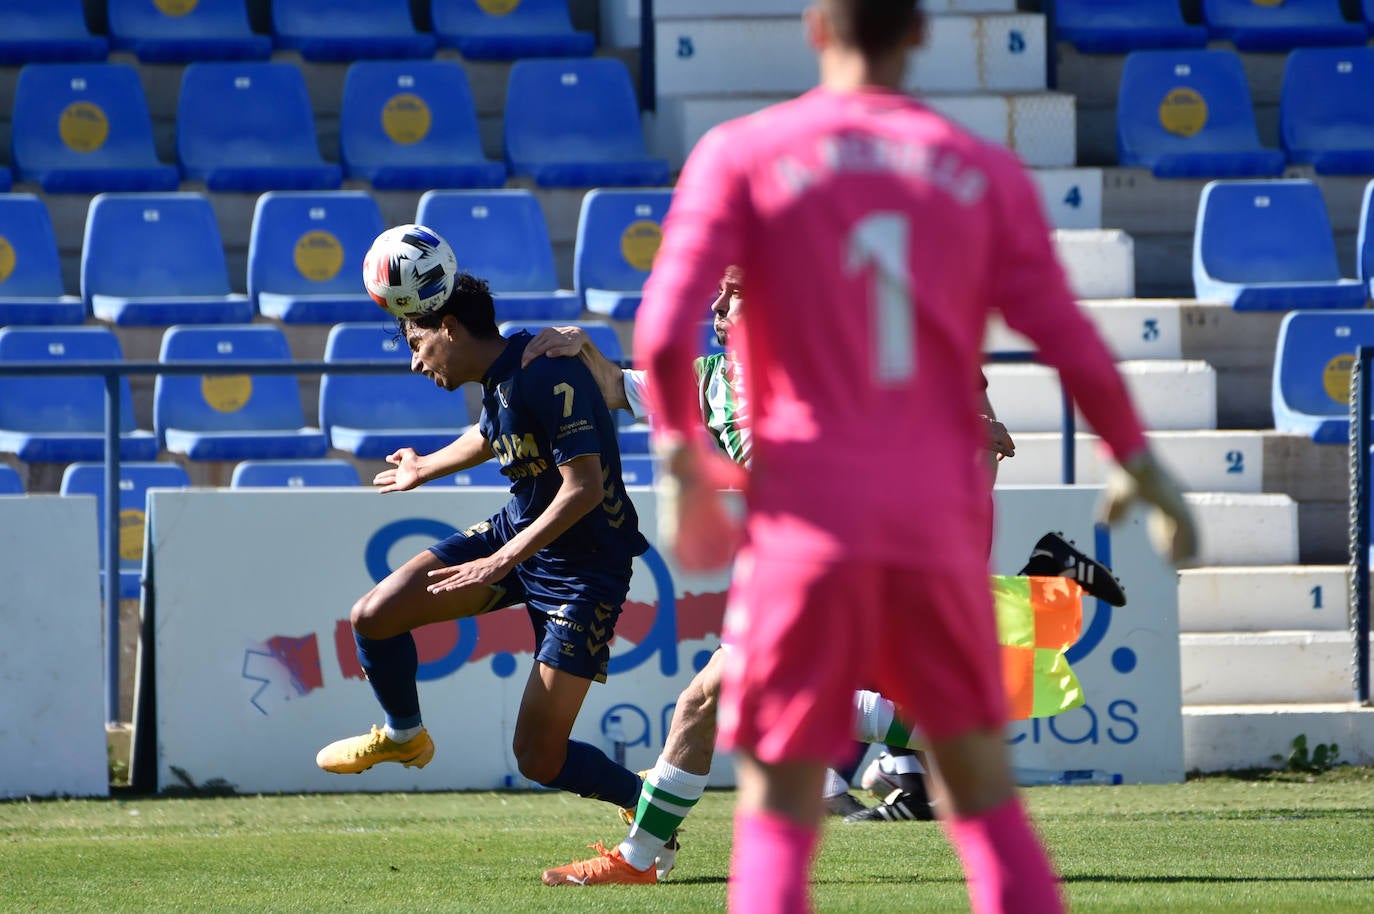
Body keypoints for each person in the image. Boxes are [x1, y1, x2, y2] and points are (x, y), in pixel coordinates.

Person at [631, 3, 1198, 913]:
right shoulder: (980, 170)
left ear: (817, 28)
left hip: (805, 523)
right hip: (933, 523)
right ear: (920, 33)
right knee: (983, 803)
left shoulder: (742, 154)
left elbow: (661, 335)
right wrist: (1135, 454)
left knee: (777, 811)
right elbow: (1067, 337)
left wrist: (679, 463)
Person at [531, 268, 1125, 885]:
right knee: (711, 701)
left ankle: (642, 857)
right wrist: (584, 348)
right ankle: (643, 857)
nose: (717, 302)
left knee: (721, 701)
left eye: (735, 289)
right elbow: (617, 387)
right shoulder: (710, 383)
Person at [314, 268, 650, 817]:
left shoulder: (547, 369)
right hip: (518, 535)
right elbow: (492, 432)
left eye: (419, 345)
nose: (415, 362)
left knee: (538, 757)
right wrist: (425, 467)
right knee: (374, 615)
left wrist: (499, 560)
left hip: (582, 570)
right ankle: (405, 736)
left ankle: (644, 801)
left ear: (448, 327)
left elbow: (585, 489)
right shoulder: (501, 378)